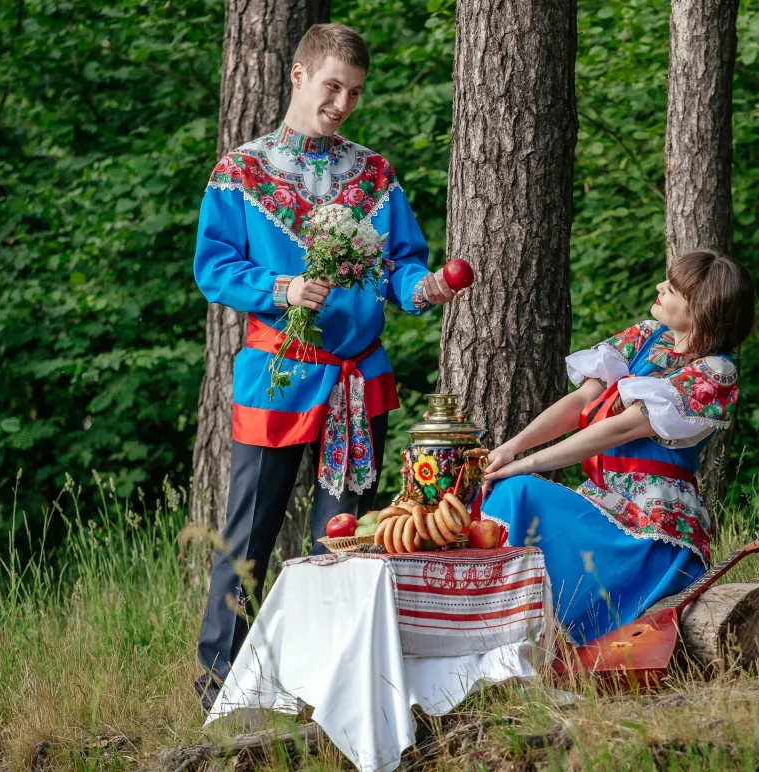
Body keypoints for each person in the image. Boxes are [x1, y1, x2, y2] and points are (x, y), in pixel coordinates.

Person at [192, 23, 459, 711]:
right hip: (277, 376)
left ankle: (326, 693)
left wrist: (421, 289)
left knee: (344, 544)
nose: (342, 102)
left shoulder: (372, 174)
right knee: (247, 536)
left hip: (355, 383)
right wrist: (280, 291)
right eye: (333, 86)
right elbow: (215, 267)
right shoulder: (240, 171)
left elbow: (402, 264)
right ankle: (221, 689)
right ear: (298, 76)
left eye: (355, 92)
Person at [480, 250, 755, 646]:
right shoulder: (646, 336)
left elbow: (616, 430)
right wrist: (511, 449)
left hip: (650, 533)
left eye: (673, 289)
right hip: (604, 505)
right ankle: (492, 631)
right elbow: (581, 405)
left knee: (519, 490)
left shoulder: (715, 373)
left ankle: (519, 637)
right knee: (498, 489)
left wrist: (527, 465)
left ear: (702, 310)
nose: (661, 288)